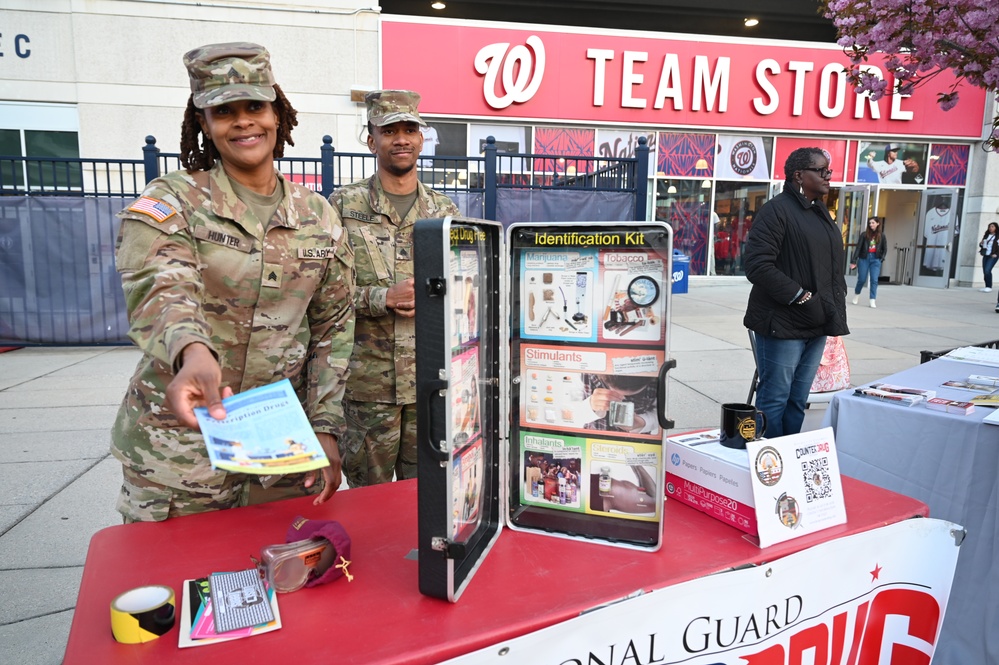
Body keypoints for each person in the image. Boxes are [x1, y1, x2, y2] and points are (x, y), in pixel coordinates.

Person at [111, 43, 355, 522]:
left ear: (277, 112)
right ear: (205, 123)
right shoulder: (175, 200)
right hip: (179, 453)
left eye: (254, 107)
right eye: (224, 111)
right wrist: (191, 350)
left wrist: (325, 426)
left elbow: (334, 325)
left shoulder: (318, 216)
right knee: (178, 589)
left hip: (278, 455)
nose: (243, 122)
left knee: (281, 583)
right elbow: (161, 283)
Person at [330, 90, 461, 487]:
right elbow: (322, 295)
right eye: (389, 131)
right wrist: (381, 298)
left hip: (429, 380)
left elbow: (464, 291)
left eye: (410, 129)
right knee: (367, 497)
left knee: (427, 493)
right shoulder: (342, 206)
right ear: (371, 140)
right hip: (368, 387)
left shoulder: (445, 212)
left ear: (422, 139)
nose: (401, 138)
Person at [742, 147, 849, 438]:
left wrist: (828, 306)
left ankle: (790, 456)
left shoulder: (818, 212)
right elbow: (756, 264)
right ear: (800, 175)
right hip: (782, 322)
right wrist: (800, 296)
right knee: (775, 398)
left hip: (816, 321)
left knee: (797, 400)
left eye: (829, 170)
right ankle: (770, 463)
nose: (829, 175)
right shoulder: (777, 210)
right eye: (822, 170)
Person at [850, 217, 888, 308]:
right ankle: (856, 294)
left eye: (873, 223)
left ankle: (872, 300)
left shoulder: (882, 236)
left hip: (875, 259)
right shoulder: (864, 235)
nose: (871, 224)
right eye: (870, 223)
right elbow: (858, 248)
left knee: (874, 280)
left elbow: (885, 248)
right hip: (864, 258)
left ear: (878, 223)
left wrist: (881, 258)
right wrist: (854, 260)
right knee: (862, 279)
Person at [979, 222, 998, 293]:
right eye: (990, 227)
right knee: (985, 271)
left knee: (987, 270)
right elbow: (983, 245)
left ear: (996, 228)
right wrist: (981, 244)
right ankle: (986, 286)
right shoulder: (986, 235)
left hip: (993, 255)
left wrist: (996, 254)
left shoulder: (997, 236)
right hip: (986, 254)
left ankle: (989, 286)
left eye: (992, 226)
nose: (991, 228)